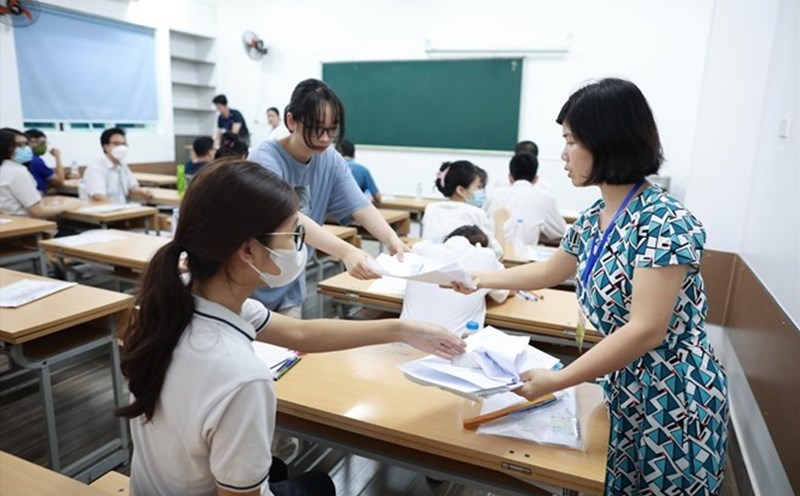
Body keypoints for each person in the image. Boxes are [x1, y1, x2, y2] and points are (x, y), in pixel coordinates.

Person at [116, 159, 466, 496]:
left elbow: (301, 334)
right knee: (319, 484)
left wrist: (401, 329)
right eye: (291, 235)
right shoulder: (244, 378)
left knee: (278, 468)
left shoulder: (179, 299)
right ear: (249, 251)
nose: (298, 246)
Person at [450, 78, 728, 495]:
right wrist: (477, 279)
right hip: (625, 382)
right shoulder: (599, 212)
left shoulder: (665, 220)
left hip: (672, 396)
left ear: (609, 141)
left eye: (572, 141)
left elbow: (646, 329)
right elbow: (548, 272)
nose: (562, 155)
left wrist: (557, 381)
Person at [249, 78, 409, 317]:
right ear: (291, 120)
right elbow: (289, 219)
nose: (325, 138)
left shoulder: (330, 159)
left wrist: (392, 239)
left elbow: (361, 206)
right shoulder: (265, 158)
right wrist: (347, 252)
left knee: (289, 351)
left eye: (332, 130)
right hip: (251, 280)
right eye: (317, 129)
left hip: (291, 279)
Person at [400, 225, 508, 336]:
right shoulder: (486, 256)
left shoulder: (422, 250)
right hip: (452, 346)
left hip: (403, 339)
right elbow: (505, 292)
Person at [483, 152, 567, 246]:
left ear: (510, 178)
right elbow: (559, 232)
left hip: (491, 254)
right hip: (524, 258)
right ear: (536, 179)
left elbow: (482, 226)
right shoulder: (545, 198)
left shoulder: (493, 194)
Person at [421, 160, 503, 257]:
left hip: (432, 265)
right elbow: (497, 253)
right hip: (466, 269)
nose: (482, 192)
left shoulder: (431, 209)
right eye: (478, 187)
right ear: (460, 190)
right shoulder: (476, 213)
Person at [0, 129, 78, 217]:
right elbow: (39, 212)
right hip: (29, 225)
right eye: (19, 145)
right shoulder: (18, 171)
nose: (26, 148)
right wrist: (68, 205)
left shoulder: (5, 168)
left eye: (26, 144)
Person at [83, 128, 152, 204]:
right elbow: (98, 196)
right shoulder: (96, 167)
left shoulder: (122, 165)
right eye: (116, 144)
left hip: (123, 209)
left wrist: (142, 190)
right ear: (105, 147)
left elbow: (132, 186)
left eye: (123, 144)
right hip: (106, 211)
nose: (121, 147)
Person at [337, 139, 381, 204]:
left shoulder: (329, 169)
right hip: (355, 210)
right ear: (353, 153)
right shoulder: (362, 170)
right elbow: (377, 198)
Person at [24, 129, 65, 193]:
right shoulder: (36, 161)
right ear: (31, 142)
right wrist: (57, 157)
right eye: (42, 143)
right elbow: (59, 181)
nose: (44, 146)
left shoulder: (24, 159)